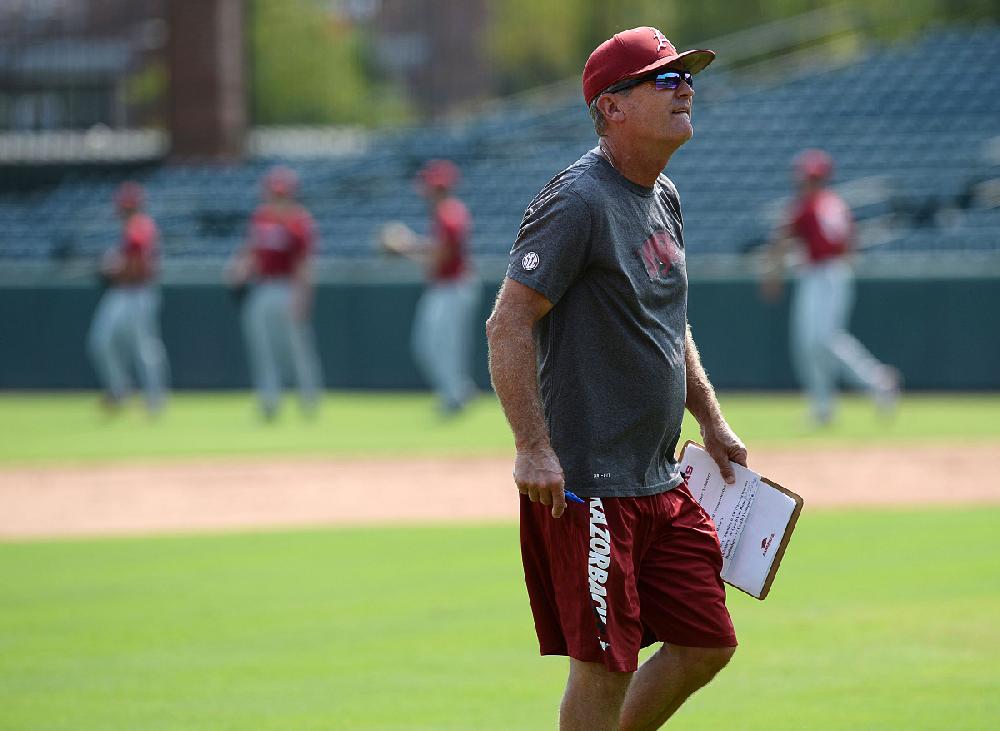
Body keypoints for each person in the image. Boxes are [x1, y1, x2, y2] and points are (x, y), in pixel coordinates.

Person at [486, 27, 747, 730]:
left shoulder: (665, 194)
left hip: (660, 478)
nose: (684, 87)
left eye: (686, 76)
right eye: (664, 79)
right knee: (605, 664)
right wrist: (533, 446)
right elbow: (507, 324)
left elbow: (667, 320)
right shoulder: (577, 199)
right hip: (590, 484)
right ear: (611, 107)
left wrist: (710, 418)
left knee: (706, 640)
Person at [761, 148, 899, 425]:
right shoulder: (834, 204)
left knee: (822, 340)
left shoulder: (810, 206)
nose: (805, 182)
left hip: (824, 273)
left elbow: (782, 237)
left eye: (810, 178)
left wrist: (773, 274)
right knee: (810, 344)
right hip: (827, 272)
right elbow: (850, 242)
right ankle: (824, 407)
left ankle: (877, 381)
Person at [379, 159, 479, 415]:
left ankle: (455, 395)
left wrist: (405, 245)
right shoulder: (444, 213)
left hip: (453, 286)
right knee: (432, 346)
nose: (424, 190)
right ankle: (457, 392)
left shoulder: (450, 213)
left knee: (439, 346)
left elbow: (441, 257)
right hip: (445, 286)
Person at [227, 166, 322, 420]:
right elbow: (251, 252)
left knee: (298, 348)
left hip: (288, 287)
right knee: (263, 348)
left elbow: (304, 265)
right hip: (263, 287)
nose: (277, 198)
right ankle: (269, 400)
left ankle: (309, 399)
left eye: (282, 194)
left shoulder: (300, 221)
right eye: (273, 193)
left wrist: (303, 298)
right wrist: (239, 269)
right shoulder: (260, 219)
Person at [87, 181, 169, 415]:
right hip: (122, 293)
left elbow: (135, 268)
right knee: (101, 342)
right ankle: (119, 390)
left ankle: (155, 399)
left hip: (139, 292)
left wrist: (111, 269)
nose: (125, 210)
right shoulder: (131, 228)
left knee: (144, 347)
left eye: (129, 206)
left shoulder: (140, 228)